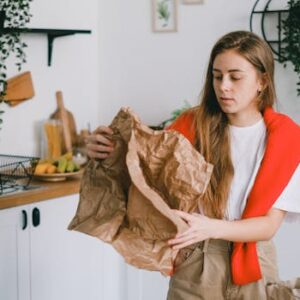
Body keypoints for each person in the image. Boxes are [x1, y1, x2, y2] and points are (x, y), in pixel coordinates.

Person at [85, 31, 300, 299]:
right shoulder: (190, 126)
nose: (223, 86)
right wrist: (106, 152)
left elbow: (268, 226)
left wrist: (210, 226)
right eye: (217, 75)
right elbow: (144, 171)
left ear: (262, 81)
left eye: (235, 76)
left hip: (255, 261)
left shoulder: (286, 139)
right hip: (197, 256)